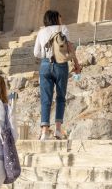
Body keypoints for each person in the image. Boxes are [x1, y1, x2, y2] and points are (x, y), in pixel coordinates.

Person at [33, 10, 81, 140]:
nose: (61, 19)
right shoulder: (63, 28)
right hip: (60, 65)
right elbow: (69, 47)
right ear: (55, 18)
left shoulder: (41, 32)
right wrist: (76, 63)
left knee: (45, 99)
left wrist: (46, 56)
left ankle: (44, 131)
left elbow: (36, 53)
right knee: (60, 97)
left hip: (45, 66)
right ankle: (58, 130)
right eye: (60, 17)